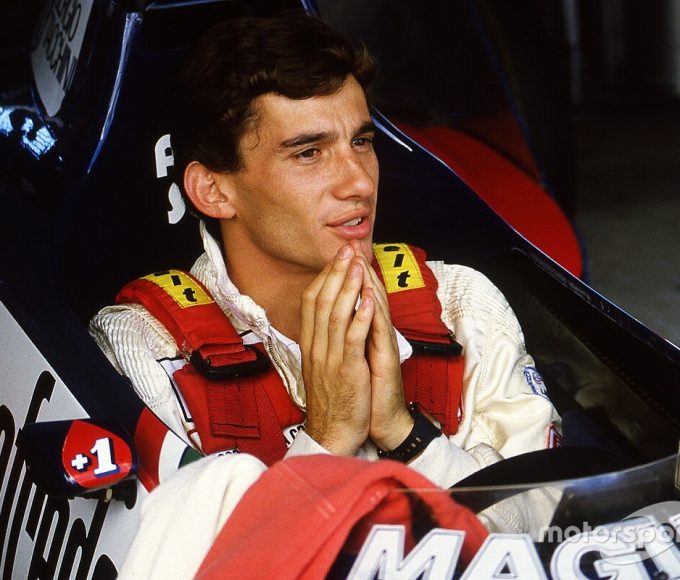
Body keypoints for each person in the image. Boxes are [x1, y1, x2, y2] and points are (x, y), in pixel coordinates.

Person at [90, 14, 560, 501]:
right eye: (308, 153)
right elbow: (181, 548)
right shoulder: (148, 348)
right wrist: (328, 440)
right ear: (213, 191)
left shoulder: (460, 304)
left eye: (361, 142)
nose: (359, 182)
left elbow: (555, 524)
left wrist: (404, 434)